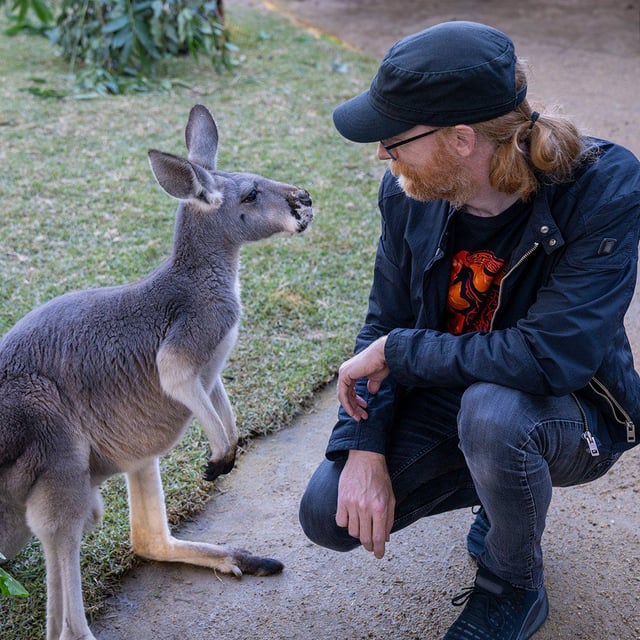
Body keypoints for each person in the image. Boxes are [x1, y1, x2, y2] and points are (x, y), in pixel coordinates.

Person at [298, 20, 640, 640]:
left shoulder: (603, 187)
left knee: (495, 417)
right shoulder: (409, 191)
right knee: (329, 514)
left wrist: (401, 352)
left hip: (569, 408)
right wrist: (365, 445)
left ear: (460, 139)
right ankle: (502, 486)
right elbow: (386, 317)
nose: (382, 152)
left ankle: (512, 585)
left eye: (395, 137)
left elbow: (551, 359)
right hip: (458, 389)